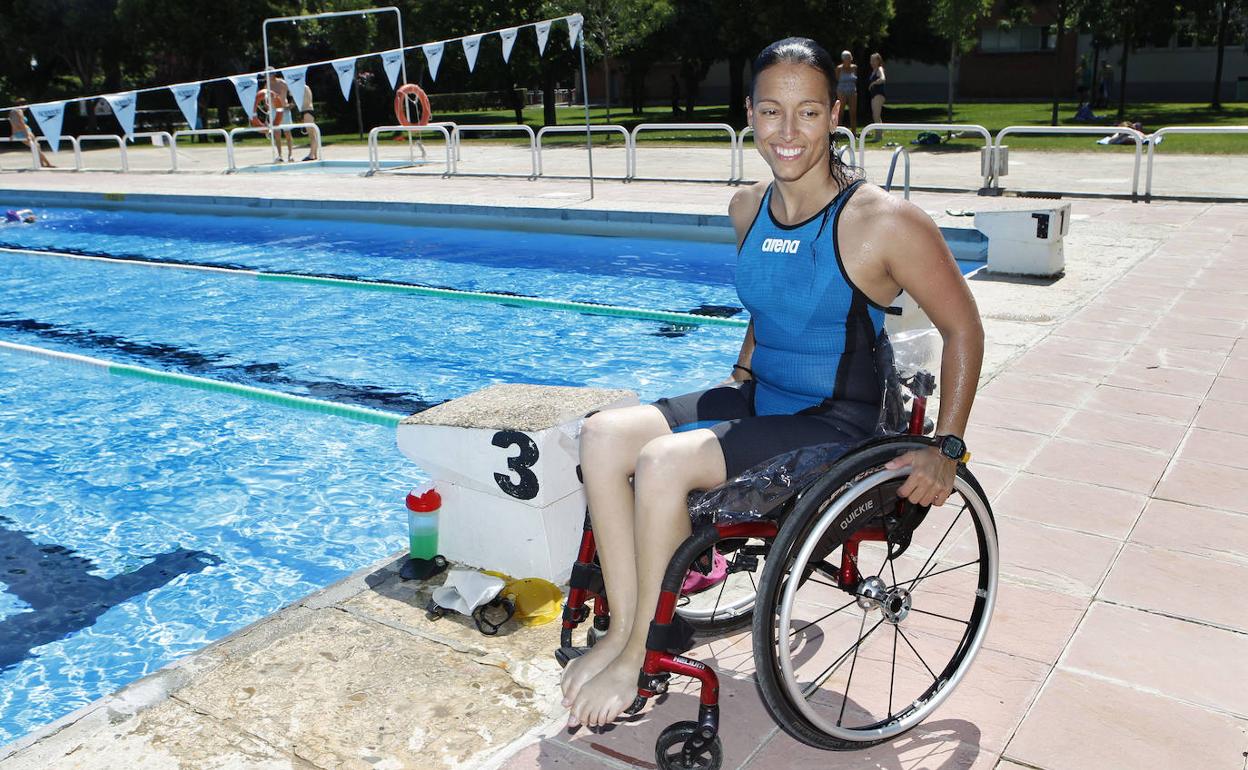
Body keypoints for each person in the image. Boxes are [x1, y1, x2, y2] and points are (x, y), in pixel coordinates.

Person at [560, 36, 984, 729]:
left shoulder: (882, 222)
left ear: (836, 114)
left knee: (665, 462)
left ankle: (643, 651)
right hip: (763, 394)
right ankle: (622, 632)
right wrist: (740, 375)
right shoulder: (746, 208)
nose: (789, 133)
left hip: (838, 420)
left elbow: (964, 329)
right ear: (750, 115)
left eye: (808, 113)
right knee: (605, 434)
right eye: (772, 112)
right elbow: (773, 300)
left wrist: (950, 447)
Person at [7, 100, 53, 168]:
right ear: (21, 105)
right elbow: (21, 123)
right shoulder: (19, 111)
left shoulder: (11, 112)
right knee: (36, 147)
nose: (27, 107)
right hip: (25, 131)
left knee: (36, 146)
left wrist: (13, 133)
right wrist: (27, 134)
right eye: (26, 105)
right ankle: (48, 164)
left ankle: (42, 163)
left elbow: (12, 124)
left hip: (18, 132)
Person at [834, 50, 859, 133]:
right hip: (842, 91)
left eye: (849, 57)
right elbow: (836, 80)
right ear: (843, 59)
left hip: (852, 91)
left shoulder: (854, 67)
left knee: (853, 113)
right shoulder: (839, 68)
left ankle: (854, 133)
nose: (848, 59)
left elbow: (855, 79)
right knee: (840, 112)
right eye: (846, 58)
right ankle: (839, 132)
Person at [294, 82, 319, 162]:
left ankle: (311, 155)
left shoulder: (304, 87)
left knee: (312, 135)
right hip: (306, 111)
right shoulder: (302, 88)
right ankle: (314, 154)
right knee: (313, 134)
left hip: (307, 111)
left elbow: (307, 102)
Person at [867, 52, 887, 141]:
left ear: (878, 61)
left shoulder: (879, 69)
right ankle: (879, 135)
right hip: (874, 95)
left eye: (873, 60)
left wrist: (874, 83)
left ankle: (878, 136)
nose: (871, 62)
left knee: (876, 115)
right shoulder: (874, 70)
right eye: (871, 60)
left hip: (879, 95)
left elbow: (883, 79)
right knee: (876, 116)